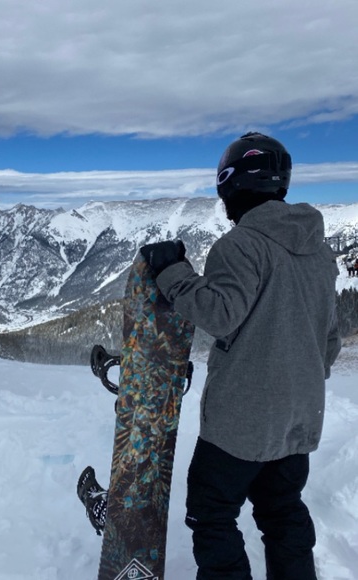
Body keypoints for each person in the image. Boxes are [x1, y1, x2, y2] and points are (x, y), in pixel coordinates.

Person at [141, 132, 341, 580]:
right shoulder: (320, 251)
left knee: (211, 514)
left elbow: (218, 313)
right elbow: (329, 340)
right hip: (299, 420)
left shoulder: (241, 245)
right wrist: (296, 380)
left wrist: (172, 271)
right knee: (282, 510)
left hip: (241, 424)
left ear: (231, 184)